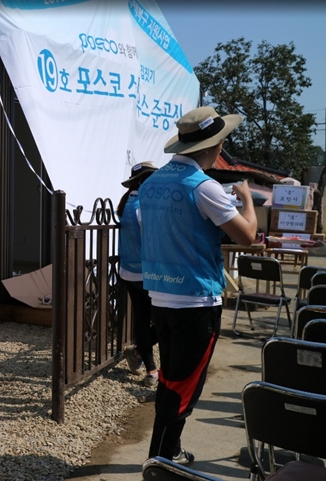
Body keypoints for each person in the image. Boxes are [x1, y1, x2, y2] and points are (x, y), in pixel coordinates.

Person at [138, 106, 257, 465]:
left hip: (160, 295)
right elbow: (248, 236)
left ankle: (168, 452)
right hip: (196, 301)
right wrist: (247, 200)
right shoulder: (204, 186)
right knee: (182, 389)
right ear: (216, 147)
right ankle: (160, 462)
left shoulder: (151, 183)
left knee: (171, 380)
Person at [118, 161, 159, 388]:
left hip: (128, 271)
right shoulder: (144, 205)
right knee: (164, 321)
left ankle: (150, 368)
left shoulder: (127, 203)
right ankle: (138, 354)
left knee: (143, 320)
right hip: (147, 273)